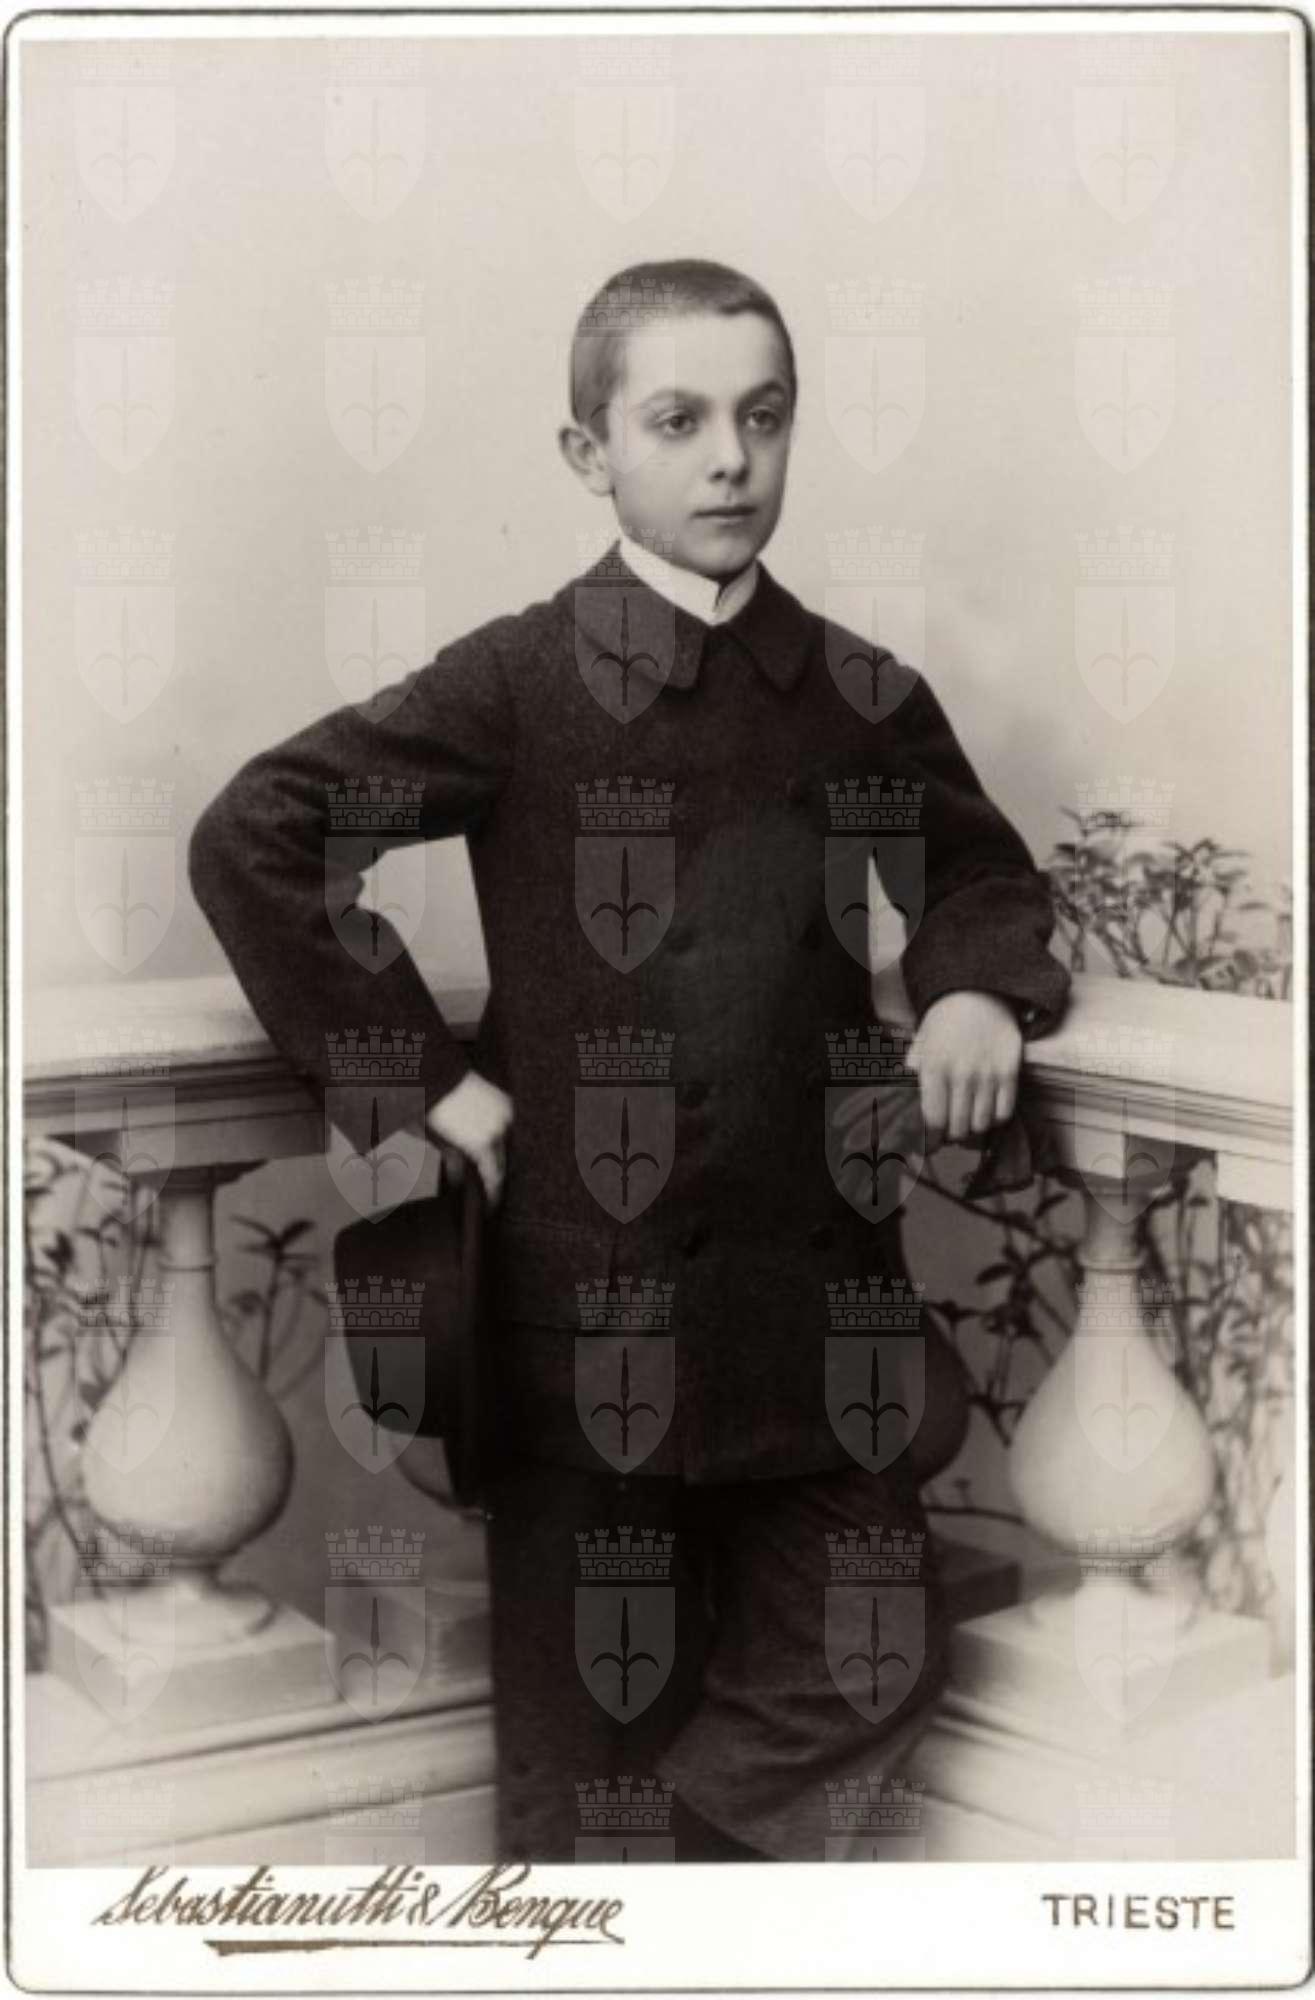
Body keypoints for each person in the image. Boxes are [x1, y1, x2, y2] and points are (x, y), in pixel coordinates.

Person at [189, 258, 1070, 1863]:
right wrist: (423, 1077)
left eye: (764, 417)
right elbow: (257, 834)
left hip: (813, 1324)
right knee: (576, 1760)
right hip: (583, 1322)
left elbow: (981, 879)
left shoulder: (857, 694)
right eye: (678, 422)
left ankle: (670, 1908)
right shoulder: (517, 683)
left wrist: (972, 995)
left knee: (866, 1655)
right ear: (588, 456)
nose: (731, 459)